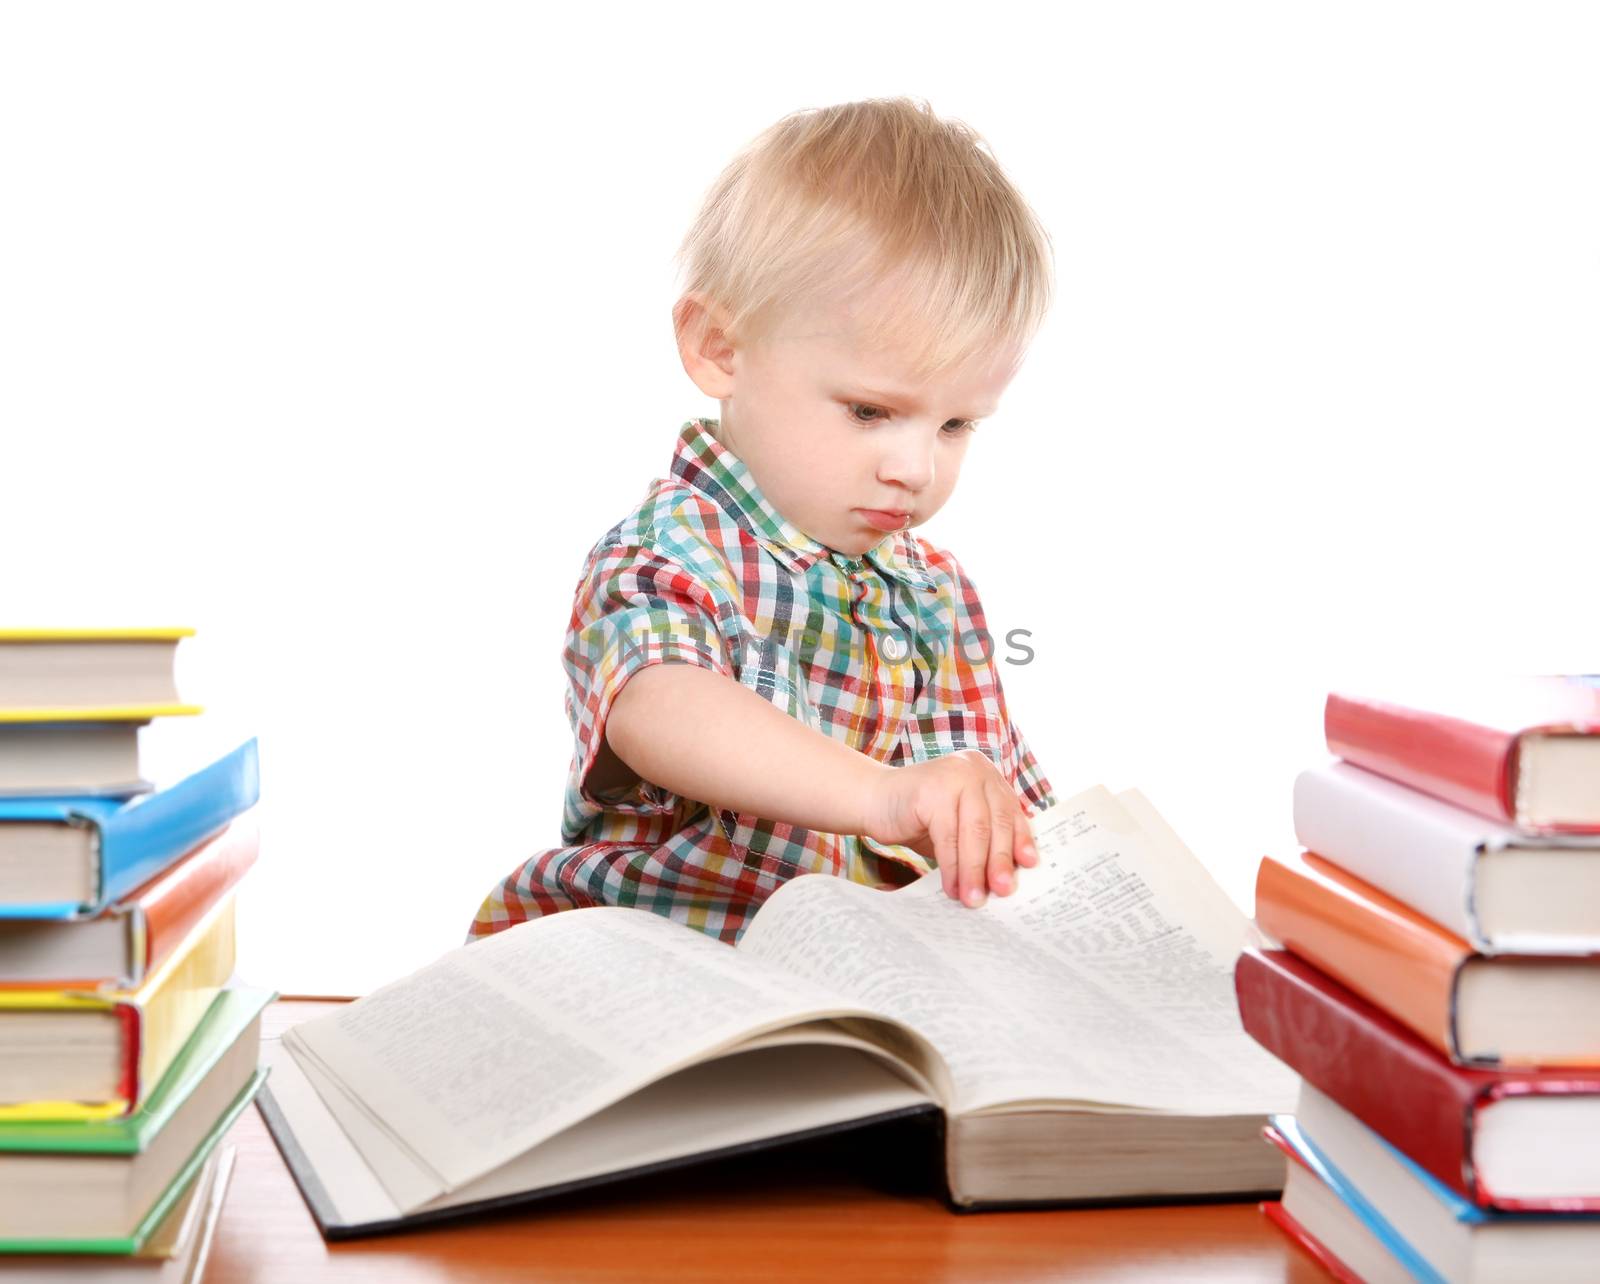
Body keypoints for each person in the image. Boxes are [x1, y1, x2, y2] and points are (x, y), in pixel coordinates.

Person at [467, 96, 1057, 947]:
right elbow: (658, 705)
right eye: (868, 411)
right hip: (660, 955)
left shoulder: (936, 594)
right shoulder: (668, 549)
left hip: (867, 985)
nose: (916, 468)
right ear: (720, 349)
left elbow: (1001, 801)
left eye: (957, 425)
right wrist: (884, 796)